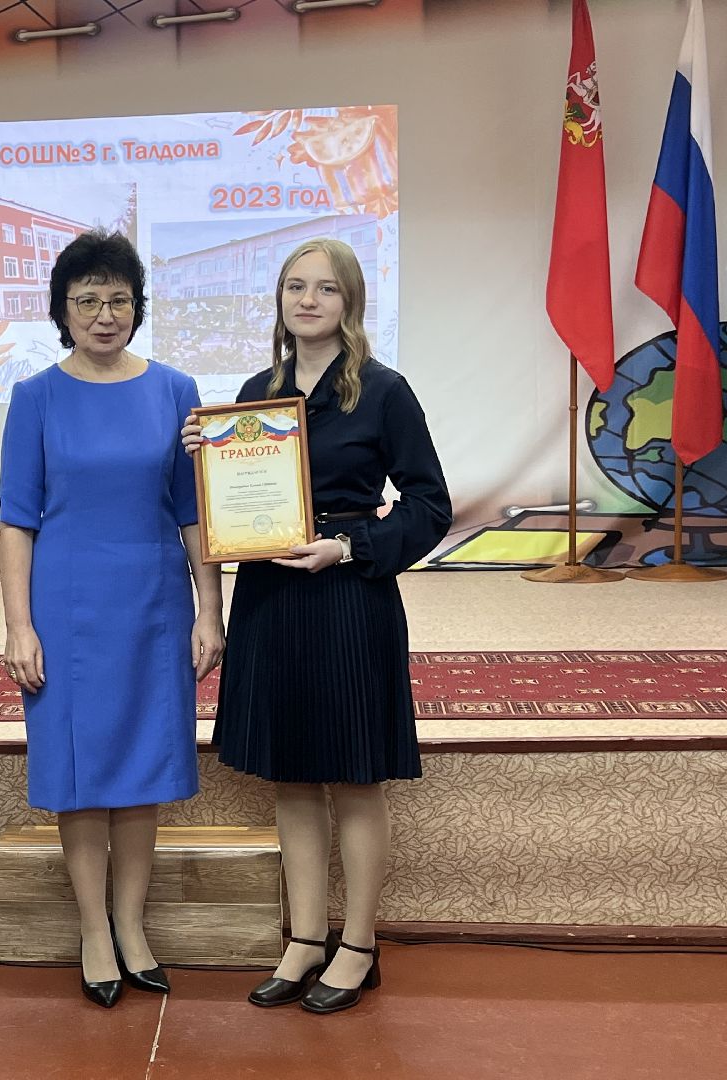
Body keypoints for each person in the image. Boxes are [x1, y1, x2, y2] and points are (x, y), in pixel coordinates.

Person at [182, 238, 450, 1015]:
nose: (308, 300)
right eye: (295, 286)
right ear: (279, 299)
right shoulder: (254, 393)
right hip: (270, 597)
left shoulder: (385, 391)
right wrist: (204, 455)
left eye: (325, 288)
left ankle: (358, 945)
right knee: (292, 776)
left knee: (354, 778)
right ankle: (304, 939)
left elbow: (430, 505)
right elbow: (229, 504)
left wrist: (349, 546)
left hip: (347, 597)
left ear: (350, 302)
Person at [0, 230, 225, 1008]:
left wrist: (210, 608)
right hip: (65, 608)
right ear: (62, 310)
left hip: (154, 604)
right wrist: (18, 625)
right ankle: (94, 930)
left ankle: (132, 924)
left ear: (138, 307)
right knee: (80, 773)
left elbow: (193, 512)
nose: (104, 314)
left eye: (118, 299)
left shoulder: (176, 390)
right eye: (87, 300)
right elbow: (17, 519)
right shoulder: (35, 397)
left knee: (141, 770)